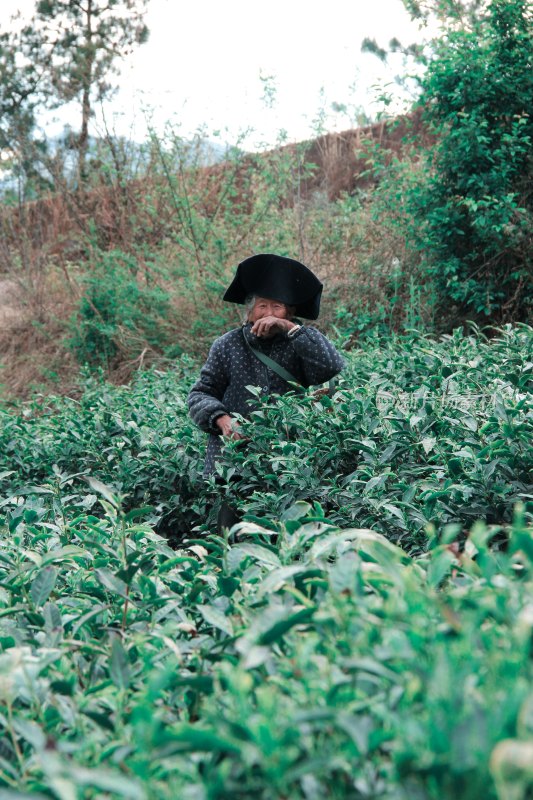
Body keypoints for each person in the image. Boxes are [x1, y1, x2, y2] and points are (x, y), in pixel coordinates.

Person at [188, 253, 345, 527]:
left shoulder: (300, 343)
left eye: (278, 307)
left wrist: (290, 329)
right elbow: (199, 395)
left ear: (290, 312)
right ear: (249, 311)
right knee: (233, 537)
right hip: (236, 463)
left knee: (292, 535)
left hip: (290, 461)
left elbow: (330, 366)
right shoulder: (226, 345)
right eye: (262, 306)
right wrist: (223, 420)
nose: (269, 314)